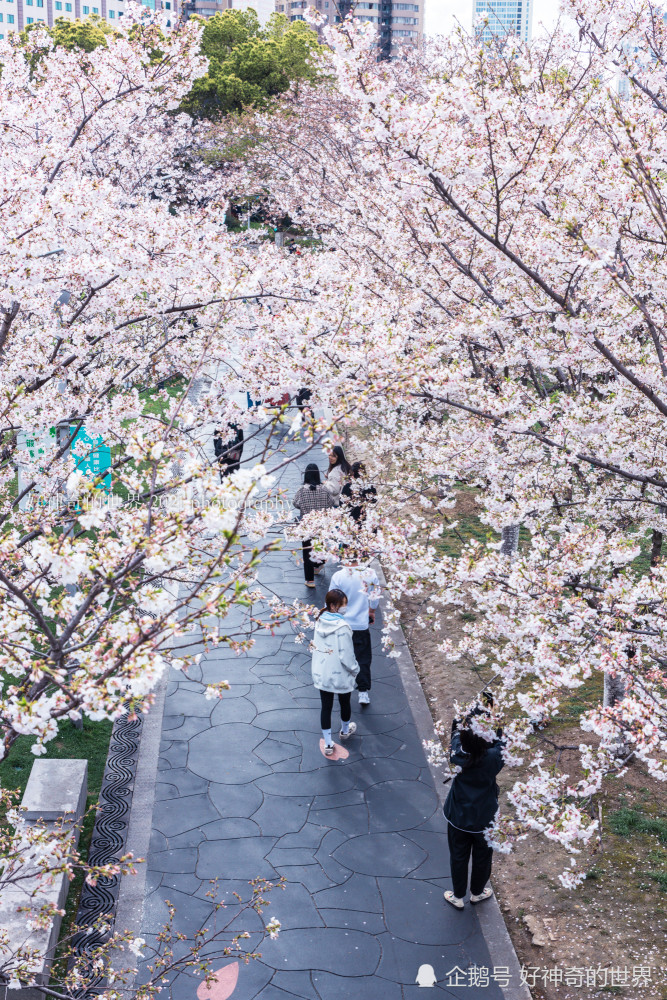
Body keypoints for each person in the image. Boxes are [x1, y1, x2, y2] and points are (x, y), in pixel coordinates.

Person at [442, 714, 505, 910]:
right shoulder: (494, 757)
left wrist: (460, 719)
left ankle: (458, 895)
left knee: (458, 856)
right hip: (485, 817)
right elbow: (501, 741)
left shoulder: (457, 754)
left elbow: (455, 732)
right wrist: (495, 723)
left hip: (458, 816)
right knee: (483, 857)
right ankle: (477, 892)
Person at [311, 589, 359, 755]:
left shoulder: (319, 622)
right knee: (344, 703)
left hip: (322, 672)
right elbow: (346, 656)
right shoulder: (343, 627)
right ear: (333, 606)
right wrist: (355, 670)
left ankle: (328, 743)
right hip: (340, 674)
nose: (345, 608)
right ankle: (345, 731)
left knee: (326, 707)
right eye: (343, 605)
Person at [330, 558, 380, 706]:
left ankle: (341, 687)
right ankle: (363, 692)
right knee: (363, 658)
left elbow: (331, 600)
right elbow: (375, 597)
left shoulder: (338, 576)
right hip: (360, 624)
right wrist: (371, 611)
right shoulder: (370, 573)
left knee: (341, 656)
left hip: (342, 624)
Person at [293, 464, 334, 588]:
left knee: (307, 551)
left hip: (306, 525)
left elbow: (296, 503)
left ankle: (309, 580)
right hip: (321, 525)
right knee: (319, 546)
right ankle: (318, 565)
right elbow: (331, 503)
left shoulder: (302, 490)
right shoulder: (324, 489)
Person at [341, 461, 377, 526]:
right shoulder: (369, 485)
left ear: (353, 473)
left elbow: (341, 503)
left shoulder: (347, 486)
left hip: (352, 519)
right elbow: (374, 500)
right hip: (367, 518)